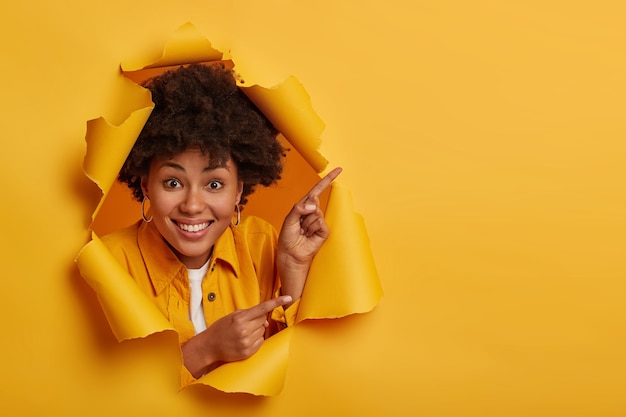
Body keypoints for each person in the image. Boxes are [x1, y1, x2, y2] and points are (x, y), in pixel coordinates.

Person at [101, 63, 340, 383]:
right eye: (173, 182)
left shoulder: (262, 245)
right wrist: (206, 349)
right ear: (146, 186)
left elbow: (309, 374)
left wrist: (293, 267)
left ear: (238, 190)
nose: (193, 206)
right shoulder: (109, 264)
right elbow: (105, 390)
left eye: (214, 184)